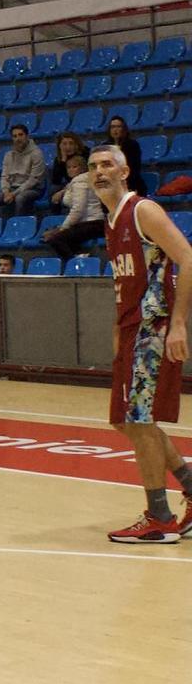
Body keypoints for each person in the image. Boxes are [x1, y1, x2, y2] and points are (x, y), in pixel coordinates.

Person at [91, 145, 192, 544]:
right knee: (123, 420)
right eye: (94, 166)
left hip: (154, 327)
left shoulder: (142, 210)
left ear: (125, 171)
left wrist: (179, 322)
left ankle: (160, 517)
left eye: (107, 165)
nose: (99, 171)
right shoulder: (111, 221)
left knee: (139, 421)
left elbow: (187, 258)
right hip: (132, 328)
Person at [42, 152, 106, 260]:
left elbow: (78, 209)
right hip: (90, 222)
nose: (71, 170)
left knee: (56, 239)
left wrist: (63, 228)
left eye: (74, 167)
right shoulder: (78, 181)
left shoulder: (80, 182)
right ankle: (79, 256)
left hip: (92, 222)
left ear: (82, 168)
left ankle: (76, 263)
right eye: (68, 167)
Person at [0, 125, 46, 217]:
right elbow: (4, 177)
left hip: (33, 189)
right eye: (15, 136)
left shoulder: (36, 154)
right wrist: (6, 192)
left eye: (20, 135)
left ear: (27, 136)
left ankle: (19, 226)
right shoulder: (8, 155)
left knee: (20, 198)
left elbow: (34, 180)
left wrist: (14, 194)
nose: (18, 138)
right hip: (12, 189)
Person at [107, 114, 146, 197]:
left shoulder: (132, 145)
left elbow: (134, 168)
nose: (115, 130)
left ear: (124, 129)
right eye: (112, 127)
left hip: (131, 182)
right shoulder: (105, 146)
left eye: (118, 127)